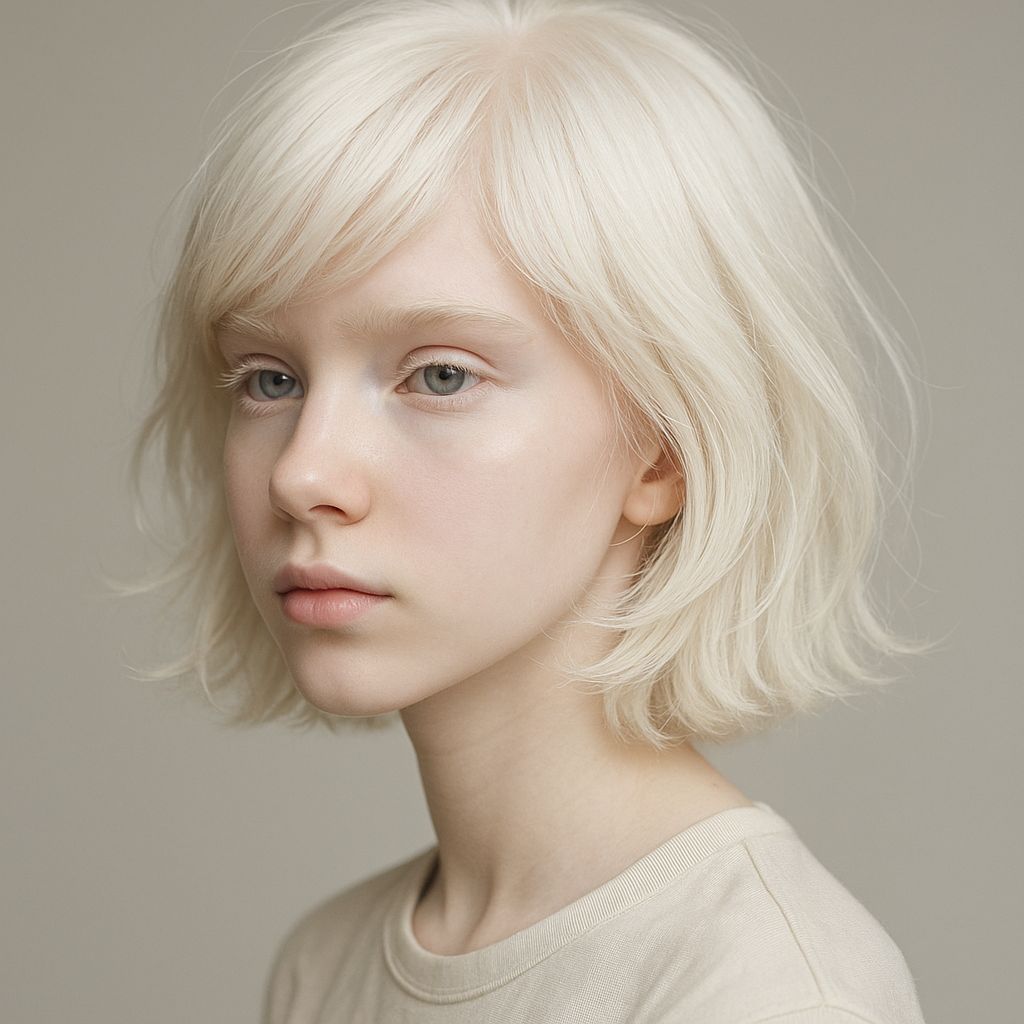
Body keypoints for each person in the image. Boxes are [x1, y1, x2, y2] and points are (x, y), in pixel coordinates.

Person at [121, 0, 932, 1020]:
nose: (301, 473)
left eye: (440, 375)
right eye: (270, 379)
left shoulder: (767, 992)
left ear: (664, 447)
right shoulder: (324, 967)